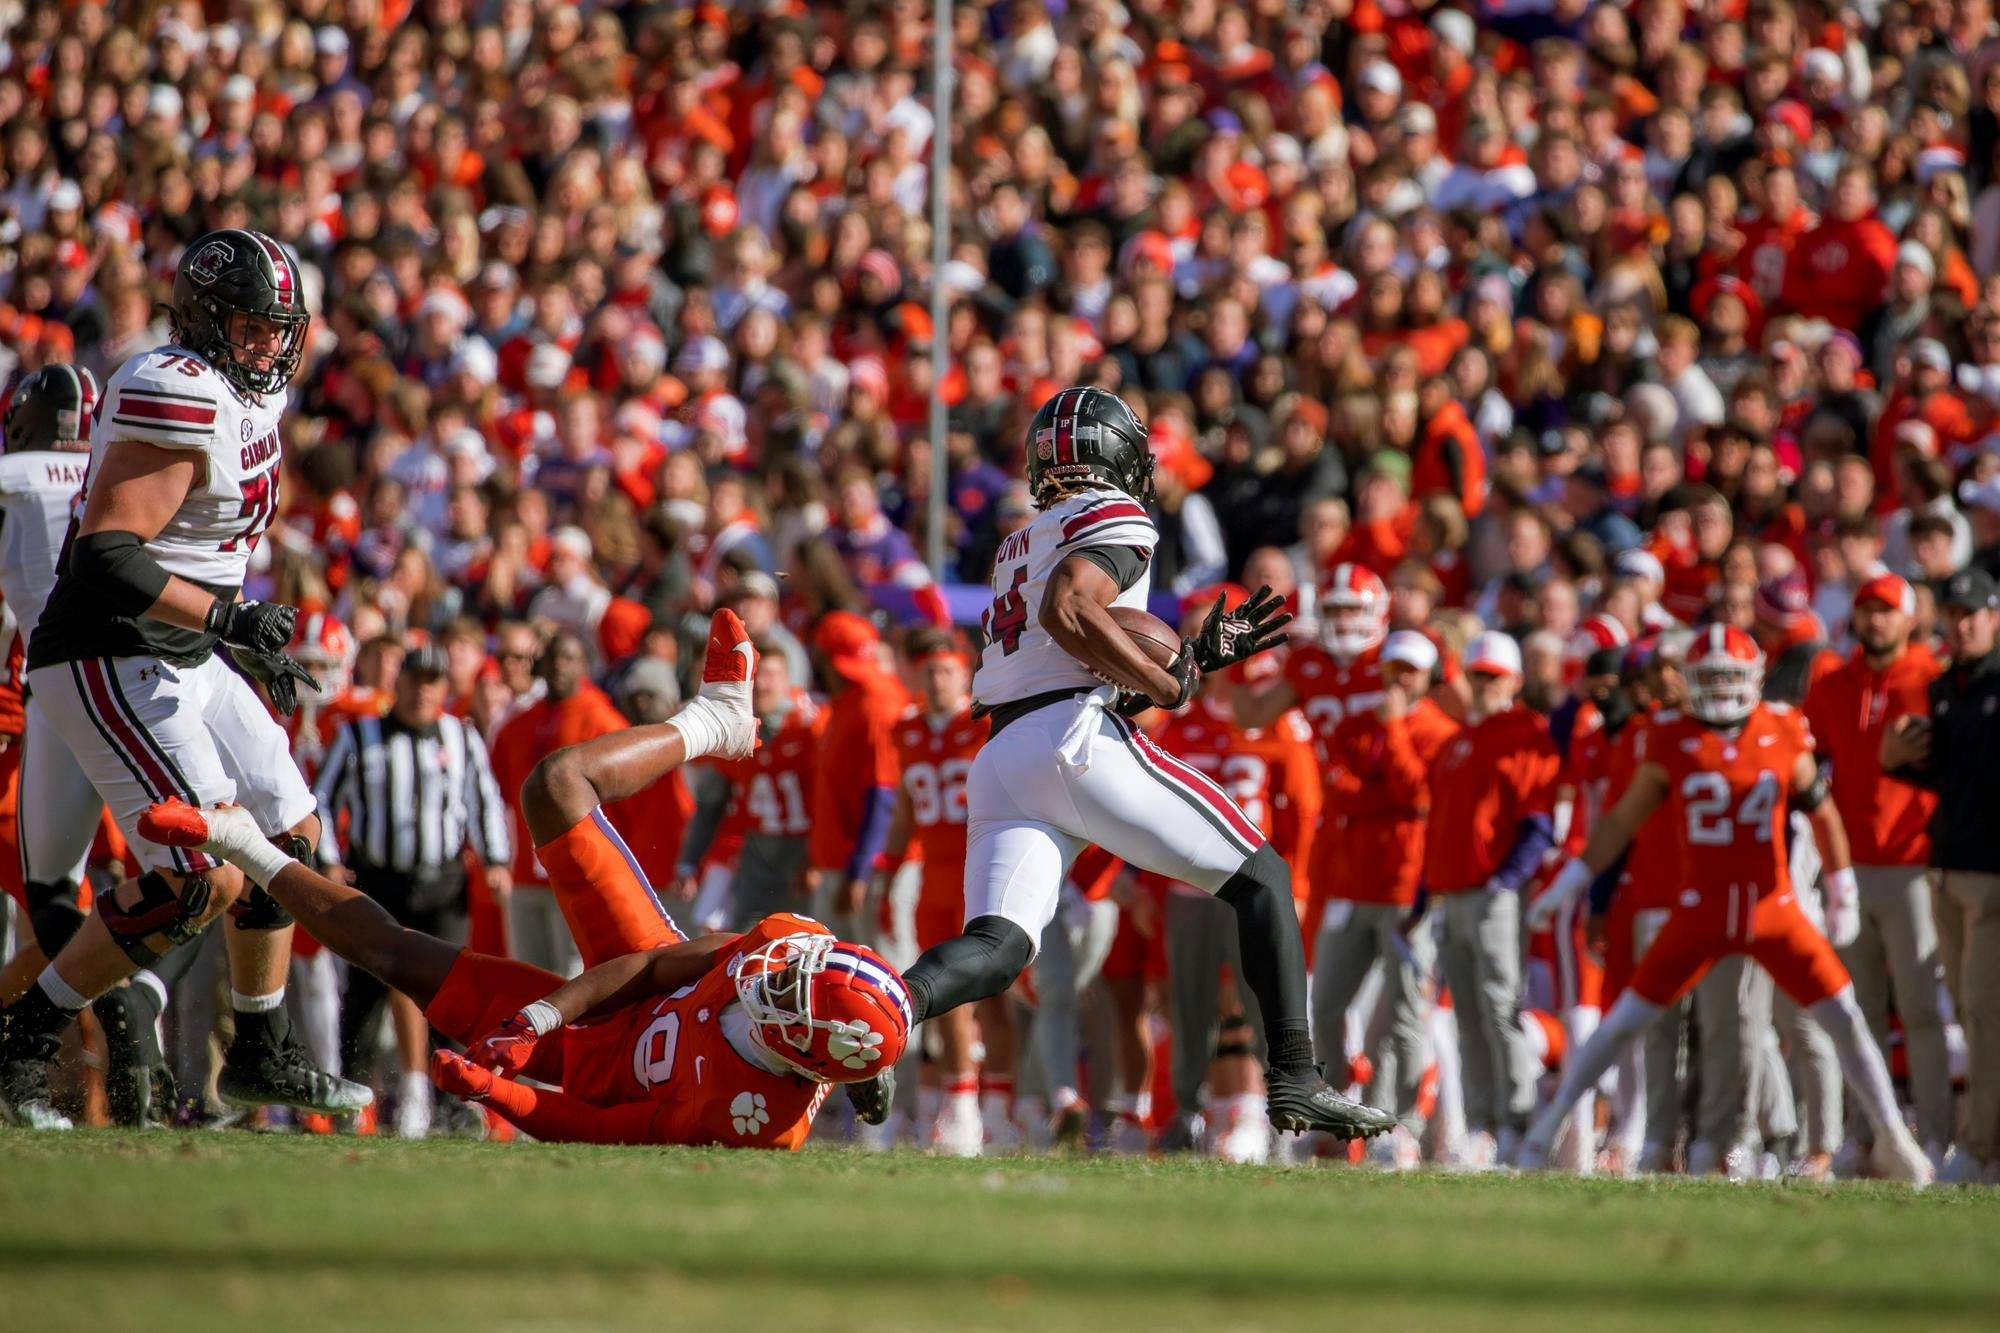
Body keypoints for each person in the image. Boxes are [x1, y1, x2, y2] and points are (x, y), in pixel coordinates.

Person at [138, 611, 910, 1148]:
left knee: (394, 956)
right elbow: (650, 965)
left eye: (788, 994)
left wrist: (498, 1085)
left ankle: (239, 840)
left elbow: (598, 1127)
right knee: (554, 787)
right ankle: (715, 721)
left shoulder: (756, 1118)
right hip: (635, 983)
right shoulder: (788, 945)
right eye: (798, 969)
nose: (773, 971)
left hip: (591, 1063)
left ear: (801, 1052)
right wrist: (540, 1013)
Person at [877, 385, 1396, 1141]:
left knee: (996, 950)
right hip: (1070, 740)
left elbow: (1063, 648)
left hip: (1003, 755)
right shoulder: (1116, 514)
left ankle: (866, 1015)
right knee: (1262, 877)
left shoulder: (1020, 539)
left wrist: (1187, 657)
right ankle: (1296, 1078)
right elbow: (1074, 608)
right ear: (1116, 454)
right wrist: (1169, 680)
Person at [0, 230, 366, 1129]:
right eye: (251, 327)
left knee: (293, 831)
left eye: (280, 328)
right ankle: (24, 1041)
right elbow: (107, 555)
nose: (270, 346)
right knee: (200, 876)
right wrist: (234, 621)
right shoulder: (175, 388)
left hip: (188, 649)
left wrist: (242, 643)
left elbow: (207, 546)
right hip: (110, 648)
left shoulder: (253, 391)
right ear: (202, 319)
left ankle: (261, 1047)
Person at [1523, 625, 1932, 1185]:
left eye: (1728, 676)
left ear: (1754, 678)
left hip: (1774, 908)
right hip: (1700, 910)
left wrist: (1843, 890)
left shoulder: (1784, 727)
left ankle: (1891, 1138)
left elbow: (1823, 811)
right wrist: (1570, 883)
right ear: (1690, 681)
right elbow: (1621, 821)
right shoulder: (1670, 735)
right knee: (1625, 1022)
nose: (1719, 687)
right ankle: (1544, 1131)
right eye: (1709, 676)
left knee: (1843, 1017)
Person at [312, 641, 511, 1137]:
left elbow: (483, 798)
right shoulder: (359, 735)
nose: (424, 691)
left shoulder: (461, 737)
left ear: (444, 688)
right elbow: (320, 798)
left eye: (433, 682)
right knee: (363, 997)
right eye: (416, 681)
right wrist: (330, 861)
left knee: (449, 1001)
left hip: (441, 885)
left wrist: (497, 859)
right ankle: (352, 1103)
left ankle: (452, 1104)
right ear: (397, 684)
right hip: (377, 883)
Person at [1804, 573, 1952, 1171]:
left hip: (1912, 862)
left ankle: (1939, 1135)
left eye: (1886, 611)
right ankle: (1866, 1135)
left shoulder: (1932, 679)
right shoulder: (1834, 683)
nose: (1875, 620)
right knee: (1856, 1010)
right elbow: (1807, 759)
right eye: (1866, 609)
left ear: (1909, 617)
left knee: (1919, 1007)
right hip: (1847, 865)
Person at [1311, 629, 1458, 1169]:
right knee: (1325, 1004)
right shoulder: (1353, 725)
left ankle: (1399, 1125)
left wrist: (1393, 730)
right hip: (1353, 884)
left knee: (1404, 1014)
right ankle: (1334, 1113)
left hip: (1406, 890)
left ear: (1429, 675)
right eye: (1394, 666)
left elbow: (1420, 795)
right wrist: (1386, 798)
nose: (1400, 678)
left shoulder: (1439, 730)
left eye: (1411, 669)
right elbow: (1337, 790)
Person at [1880, 566, 2000, 1184]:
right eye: (1953, 615)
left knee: (1984, 1010)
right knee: (1970, 1010)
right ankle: (1979, 1144)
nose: (1962, 624)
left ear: (1994, 617)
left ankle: (1979, 1147)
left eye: (1972, 614)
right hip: (1949, 866)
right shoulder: (1947, 687)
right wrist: (1897, 763)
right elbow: (1951, 778)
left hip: (1992, 874)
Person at [1423, 630, 1561, 1167]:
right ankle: (1483, 1120)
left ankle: (1517, 1120)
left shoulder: (1525, 732)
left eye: (1493, 676)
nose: (1483, 684)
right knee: (1468, 1014)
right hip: (1451, 893)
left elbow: (1537, 822)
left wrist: (1507, 882)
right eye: (1476, 675)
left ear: (1514, 681)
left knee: (1502, 1009)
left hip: (1491, 891)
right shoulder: (1459, 739)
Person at [881, 627, 998, 1155]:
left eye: (946, 668)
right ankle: (964, 1108)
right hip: (934, 876)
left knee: (994, 997)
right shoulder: (906, 731)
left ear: (965, 670)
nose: (937, 678)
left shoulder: (986, 723)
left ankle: (992, 1104)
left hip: (983, 869)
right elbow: (905, 811)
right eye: (928, 669)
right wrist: (885, 872)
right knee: (947, 996)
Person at [488, 630, 629, 976]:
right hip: (525, 874)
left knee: (574, 976)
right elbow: (497, 794)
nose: (558, 666)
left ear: (584, 665)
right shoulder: (517, 725)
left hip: (578, 871)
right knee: (529, 976)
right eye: (552, 658)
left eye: (568, 657)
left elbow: (625, 801)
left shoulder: (603, 722)